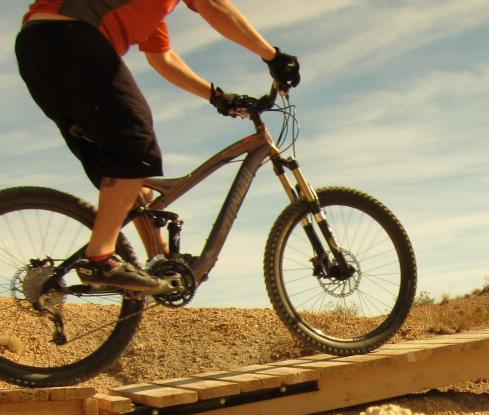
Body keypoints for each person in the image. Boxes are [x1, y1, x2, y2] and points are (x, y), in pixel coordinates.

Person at [15, 1, 301, 292]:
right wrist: (274, 56)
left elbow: (163, 58)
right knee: (136, 143)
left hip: (37, 48)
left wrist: (217, 97)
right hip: (67, 35)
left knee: (125, 176)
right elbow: (214, 6)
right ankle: (100, 259)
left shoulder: (148, 10)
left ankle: (159, 262)